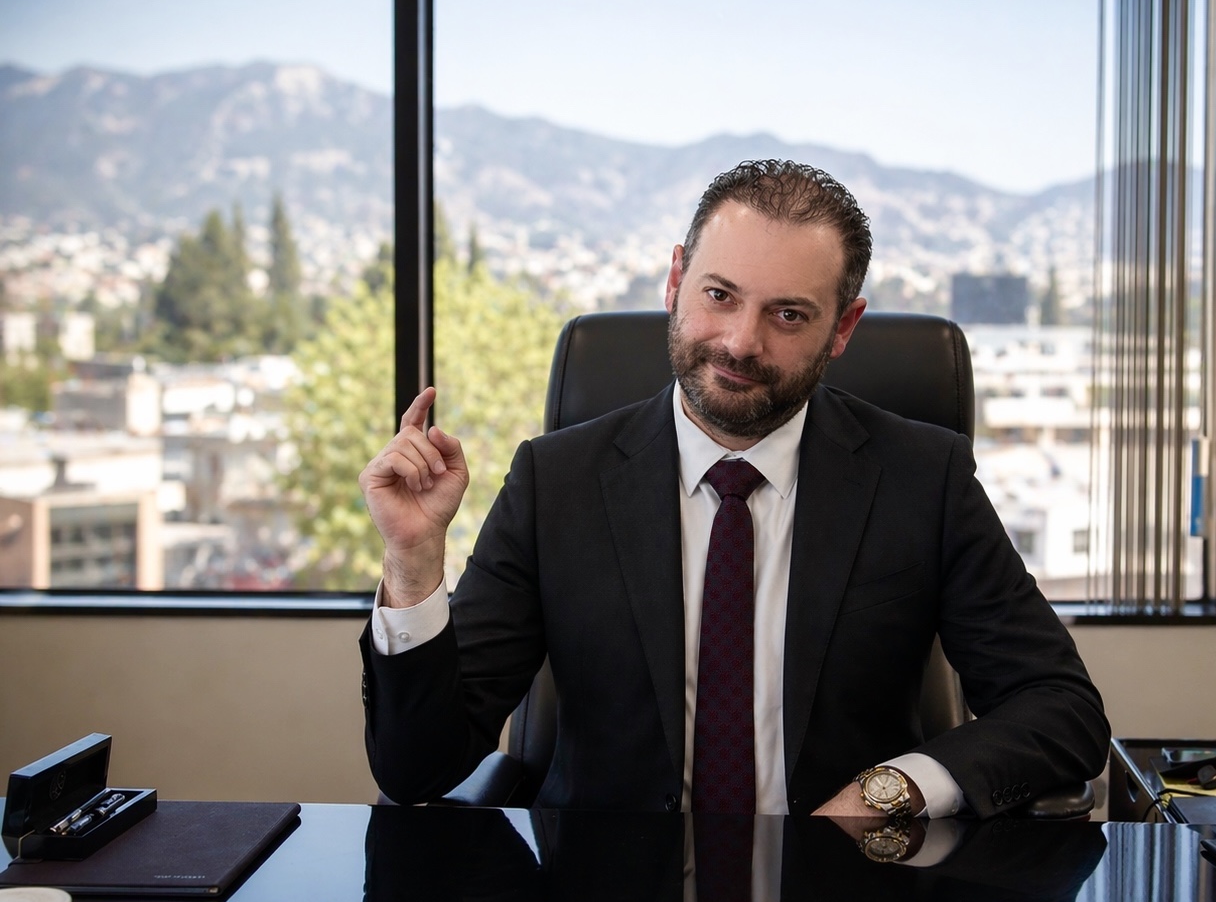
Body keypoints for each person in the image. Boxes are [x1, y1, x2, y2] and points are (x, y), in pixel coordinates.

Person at [358, 159, 1109, 820]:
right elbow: (418, 768)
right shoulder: (557, 483)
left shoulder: (922, 478)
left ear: (843, 328)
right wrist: (413, 562)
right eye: (720, 295)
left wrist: (896, 789)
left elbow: (1063, 710)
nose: (743, 342)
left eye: (788, 314)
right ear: (676, 280)